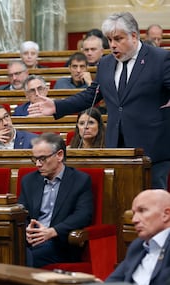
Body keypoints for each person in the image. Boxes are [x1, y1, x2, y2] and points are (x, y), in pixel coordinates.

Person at [29, 12, 170, 190]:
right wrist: (57, 105)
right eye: (109, 40)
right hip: (117, 147)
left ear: (134, 36)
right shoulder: (105, 63)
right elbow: (90, 96)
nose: (112, 45)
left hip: (152, 149)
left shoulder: (160, 58)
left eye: (118, 39)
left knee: (153, 204)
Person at [19, 133, 93, 267]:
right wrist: (26, 230)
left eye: (42, 158)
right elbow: (21, 212)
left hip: (60, 243)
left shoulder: (80, 180)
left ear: (59, 155)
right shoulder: (29, 180)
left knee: (24, 257)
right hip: (30, 241)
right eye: (34, 159)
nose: (37, 164)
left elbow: (83, 215)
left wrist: (53, 231)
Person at [106, 189, 170, 285]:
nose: (134, 220)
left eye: (142, 211)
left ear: (166, 214)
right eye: (134, 213)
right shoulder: (138, 246)